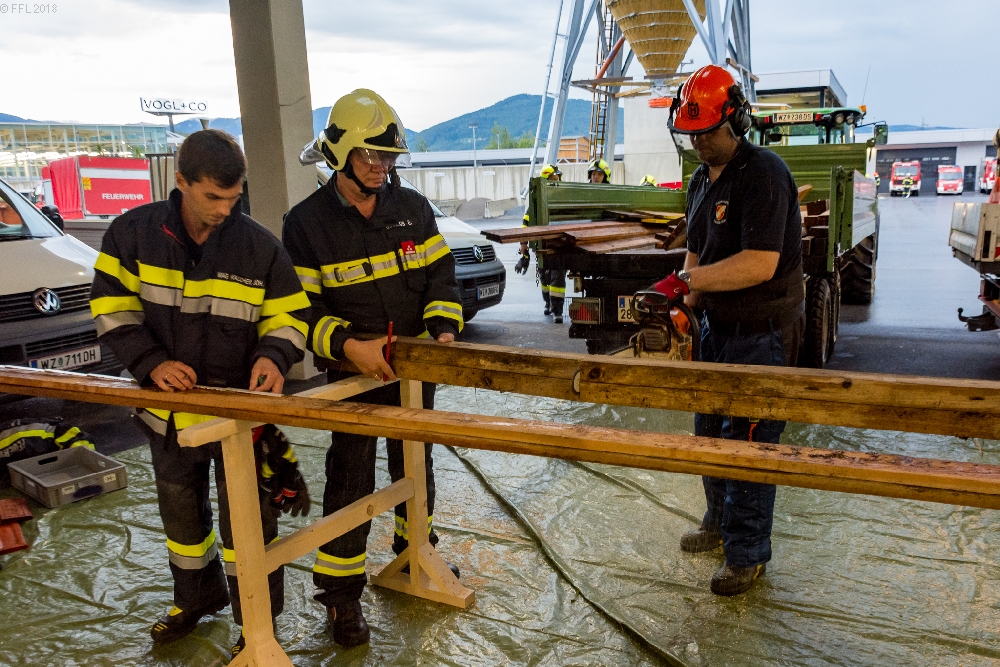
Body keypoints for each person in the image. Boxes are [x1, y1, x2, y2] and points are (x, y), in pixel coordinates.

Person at [89, 129, 312, 655]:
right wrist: (152, 363)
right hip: (167, 414)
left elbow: (289, 315)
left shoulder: (259, 245)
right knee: (182, 521)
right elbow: (112, 309)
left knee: (250, 525)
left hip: (238, 418)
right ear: (181, 181)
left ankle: (257, 624)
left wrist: (273, 355)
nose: (224, 210)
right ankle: (195, 599)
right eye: (213, 197)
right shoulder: (131, 234)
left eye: (234, 198)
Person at [284, 89, 464, 647]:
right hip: (354, 378)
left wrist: (443, 330)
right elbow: (300, 310)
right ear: (339, 154)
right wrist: (346, 347)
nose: (381, 166)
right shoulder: (305, 224)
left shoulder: (412, 208)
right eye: (370, 156)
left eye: (388, 157)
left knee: (416, 464)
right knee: (351, 477)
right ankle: (341, 597)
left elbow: (441, 277)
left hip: (413, 370)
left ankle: (415, 553)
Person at [654, 65, 804, 596]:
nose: (698, 142)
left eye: (707, 132)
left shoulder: (764, 174)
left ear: (735, 121)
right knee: (710, 437)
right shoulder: (700, 181)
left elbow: (760, 263)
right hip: (716, 330)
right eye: (690, 133)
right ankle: (717, 524)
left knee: (749, 446)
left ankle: (747, 555)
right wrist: (682, 304)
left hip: (761, 334)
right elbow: (697, 251)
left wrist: (686, 281)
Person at [515, 164, 566, 322]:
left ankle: (557, 311)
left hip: (559, 247)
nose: (556, 182)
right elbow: (525, 225)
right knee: (545, 279)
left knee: (557, 279)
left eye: (557, 179)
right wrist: (523, 248)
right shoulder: (536, 204)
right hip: (542, 247)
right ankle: (548, 303)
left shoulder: (563, 198)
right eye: (552, 179)